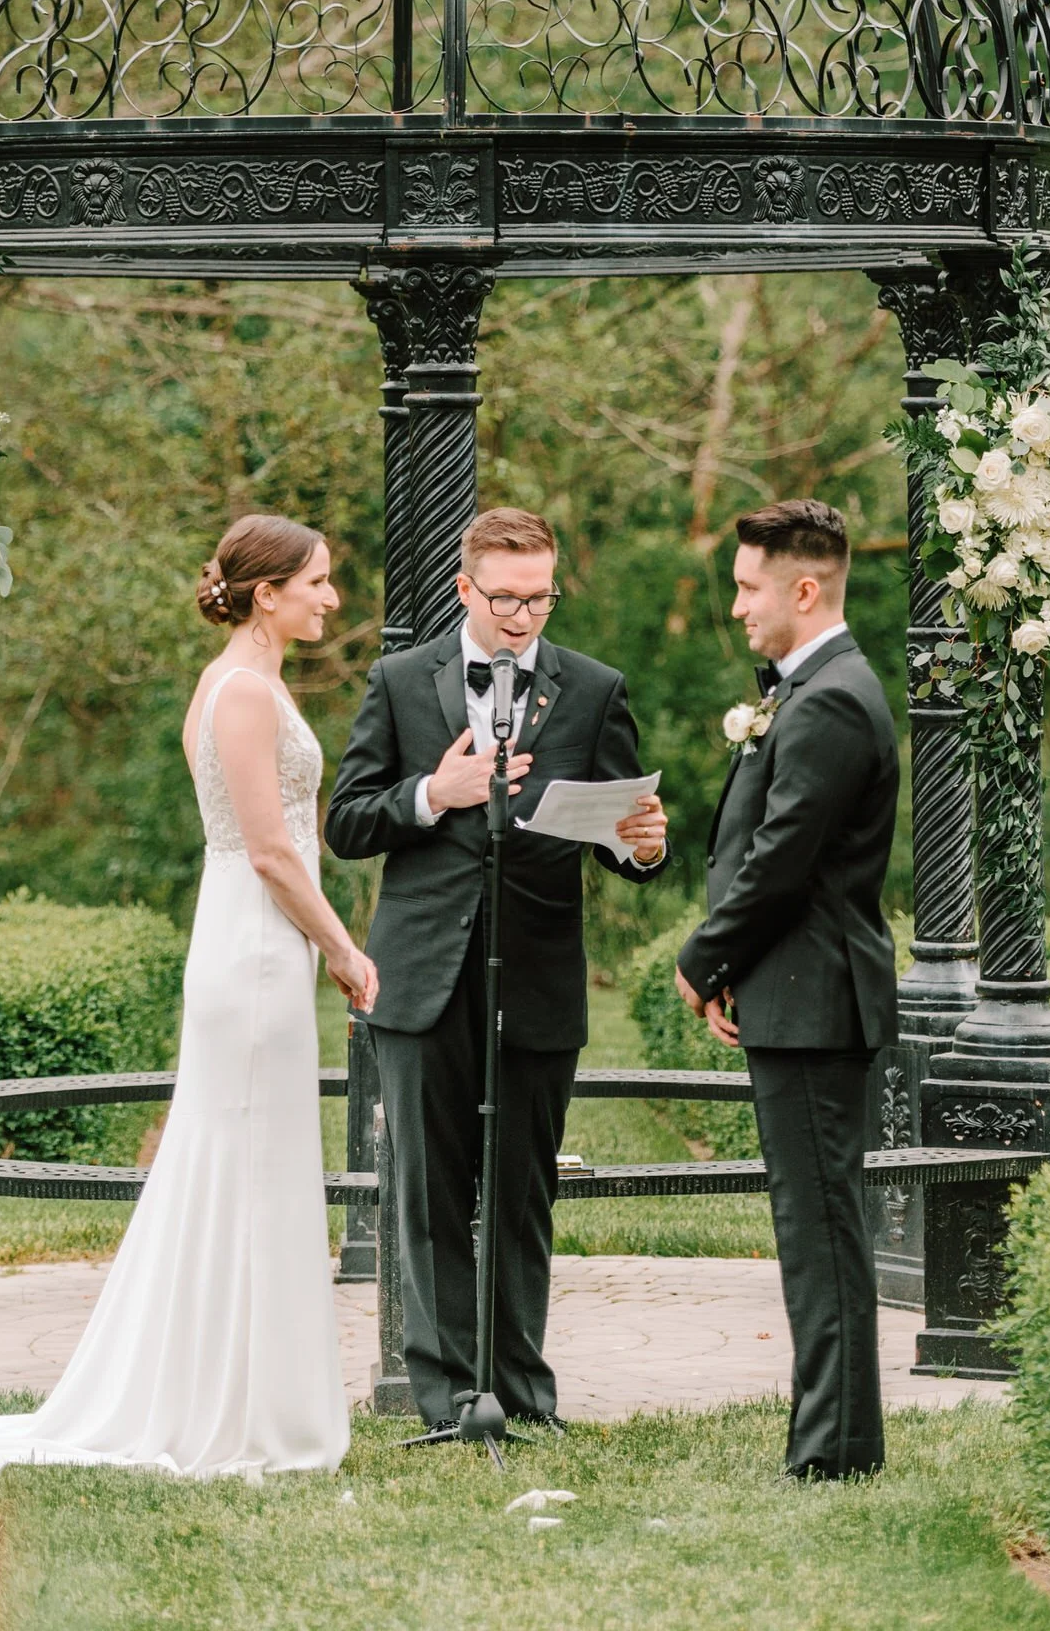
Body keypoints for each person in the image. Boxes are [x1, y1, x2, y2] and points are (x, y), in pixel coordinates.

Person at [0, 515, 378, 1525]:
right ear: (268, 593)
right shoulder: (247, 694)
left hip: (254, 940)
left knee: (249, 1166)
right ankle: (237, 1408)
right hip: (257, 944)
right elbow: (270, 849)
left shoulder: (238, 685)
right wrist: (346, 950)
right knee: (247, 1166)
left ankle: (249, 1390)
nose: (330, 599)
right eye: (318, 581)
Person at [325, 505, 668, 1431]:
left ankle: (521, 1391)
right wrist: (434, 793)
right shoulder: (399, 681)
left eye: (541, 598)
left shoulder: (594, 689)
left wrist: (639, 846)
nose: (524, 617)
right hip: (423, 970)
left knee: (520, 1193)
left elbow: (618, 831)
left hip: (539, 971)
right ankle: (445, 1398)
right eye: (506, 598)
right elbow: (347, 821)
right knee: (428, 1194)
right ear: (466, 589)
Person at [675, 498, 898, 1482]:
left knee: (821, 1231)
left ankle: (834, 1451)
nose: (737, 609)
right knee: (810, 1225)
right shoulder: (808, 690)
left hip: (816, 999)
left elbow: (783, 862)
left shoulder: (834, 697)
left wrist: (703, 957)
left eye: (747, 587)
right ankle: (834, 1441)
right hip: (795, 988)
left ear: (804, 590)